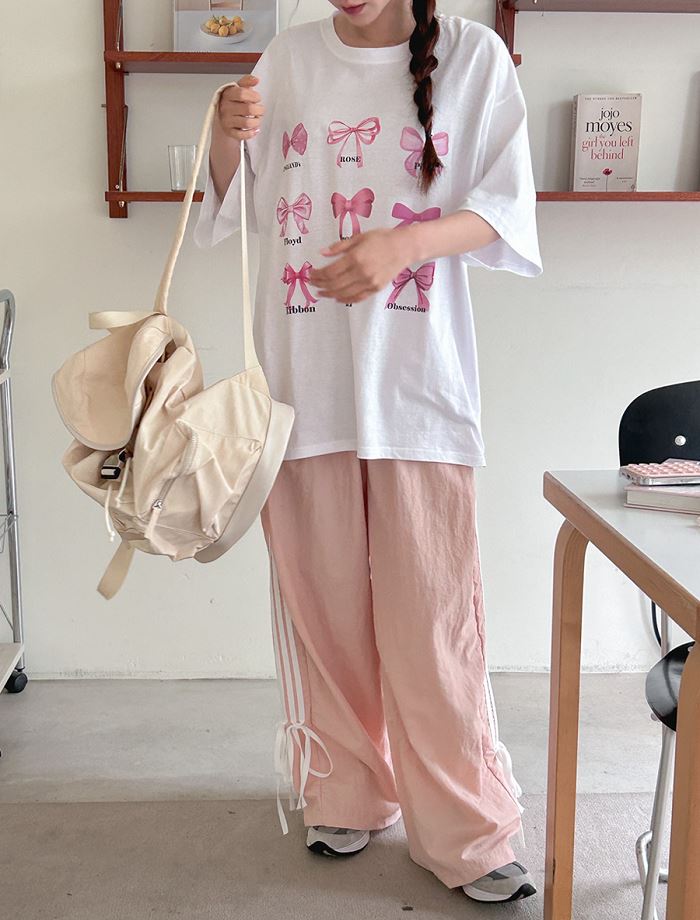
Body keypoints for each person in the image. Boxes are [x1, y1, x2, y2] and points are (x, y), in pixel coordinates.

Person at [193, 0, 543, 904]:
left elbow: (504, 207)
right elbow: (241, 207)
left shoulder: (471, 56)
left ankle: (466, 828)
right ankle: (345, 791)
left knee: (433, 622)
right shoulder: (287, 56)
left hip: (417, 386)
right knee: (324, 610)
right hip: (302, 380)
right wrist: (225, 133)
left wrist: (403, 244)